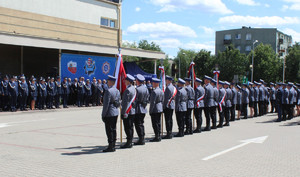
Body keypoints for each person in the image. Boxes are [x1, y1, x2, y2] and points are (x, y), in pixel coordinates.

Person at [102, 75, 121, 153]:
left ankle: (110, 146)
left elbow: (106, 104)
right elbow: (119, 101)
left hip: (109, 113)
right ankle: (113, 144)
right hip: (115, 112)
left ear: (110, 82)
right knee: (113, 129)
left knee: (109, 130)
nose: (107, 82)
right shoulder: (117, 90)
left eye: (108, 81)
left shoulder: (108, 91)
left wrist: (103, 115)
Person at [120, 74, 136, 149]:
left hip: (128, 112)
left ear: (128, 81)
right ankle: (130, 140)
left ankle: (128, 142)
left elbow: (126, 103)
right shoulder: (133, 89)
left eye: (125, 80)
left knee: (127, 127)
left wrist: (123, 113)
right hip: (132, 111)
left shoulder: (128, 90)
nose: (124, 81)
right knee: (131, 127)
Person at [134, 74, 149, 145]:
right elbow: (147, 98)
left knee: (138, 124)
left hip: (138, 108)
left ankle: (141, 139)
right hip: (143, 107)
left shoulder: (137, 89)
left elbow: (135, 100)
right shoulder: (145, 88)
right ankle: (142, 137)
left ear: (137, 81)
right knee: (141, 123)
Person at [149, 78, 164, 142]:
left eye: (153, 83)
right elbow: (163, 100)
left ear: (156, 83)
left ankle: (157, 136)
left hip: (155, 108)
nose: (152, 84)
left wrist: (150, 110)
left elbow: (152, 102)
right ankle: (159, 135)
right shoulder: (161, 91)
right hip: (160, 107)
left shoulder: (154, 91)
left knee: (155, 123)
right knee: (158, 122)